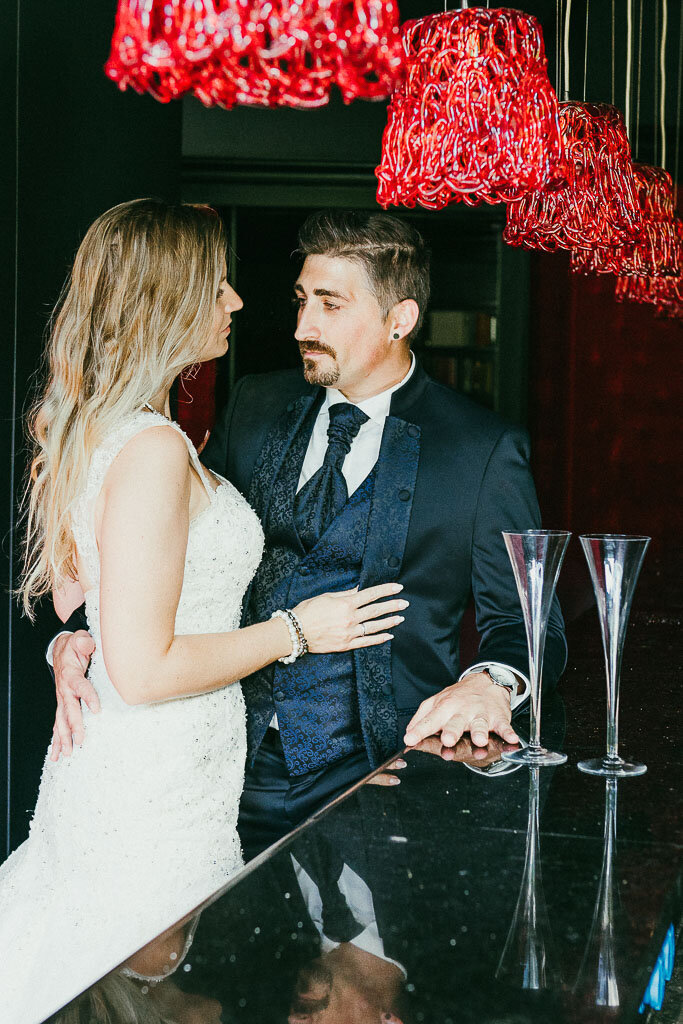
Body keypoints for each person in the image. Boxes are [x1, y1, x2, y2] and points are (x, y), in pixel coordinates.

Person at [51, 210, 567, 862]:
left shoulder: (480, 449)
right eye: (300, 301)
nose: (301, 327)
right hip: (220, 772)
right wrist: (86, 636)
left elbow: (527, 622)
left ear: (398, 318)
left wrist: (488, 683)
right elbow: (169, 558)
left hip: (382, 775)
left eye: (329, 304)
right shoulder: (254, 405)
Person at [1, 199, 403, 1024]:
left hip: (164, 776)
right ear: (167, 298)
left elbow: (93, 603)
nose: (236, 301)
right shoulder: (149, 447)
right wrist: (299, 631)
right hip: (150, 793)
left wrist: (73, 645)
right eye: (215, 284)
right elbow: (143, 672)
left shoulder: (131, 431)